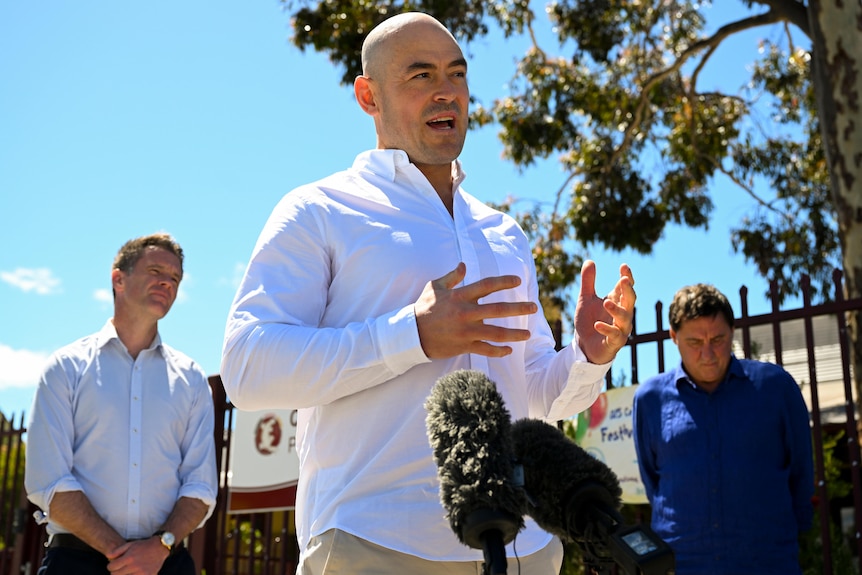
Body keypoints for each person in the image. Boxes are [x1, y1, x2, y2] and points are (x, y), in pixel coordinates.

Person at [221, 12, 636, 575]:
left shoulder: (503, 232)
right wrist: (412, 335)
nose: (446, 92)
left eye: (457, 74)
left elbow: (538, 399)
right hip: (376, 546)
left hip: (525, 549)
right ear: (369, 96)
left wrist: (587, 358)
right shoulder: (318, 211)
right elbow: (247, 369)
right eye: (420, 75)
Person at [25, 233, 218, 575]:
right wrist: (125, 555)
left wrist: (158, 548)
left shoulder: (191, 379)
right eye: (156, 270)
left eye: (174, 278)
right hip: (75, 564)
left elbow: (200, 487)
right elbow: (49, 482)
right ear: (119, 279)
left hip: (167, 563)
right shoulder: (65, 368)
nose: (167, 282)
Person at [632, 283, 814, 575]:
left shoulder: (775, 388)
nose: (708, 354)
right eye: (694, 342)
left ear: (732, 331)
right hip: (684, 563)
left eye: (717, 339)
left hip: (767, 562)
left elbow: (801, 472)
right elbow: (652, 480)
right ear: (673, 337)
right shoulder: (650, 400)